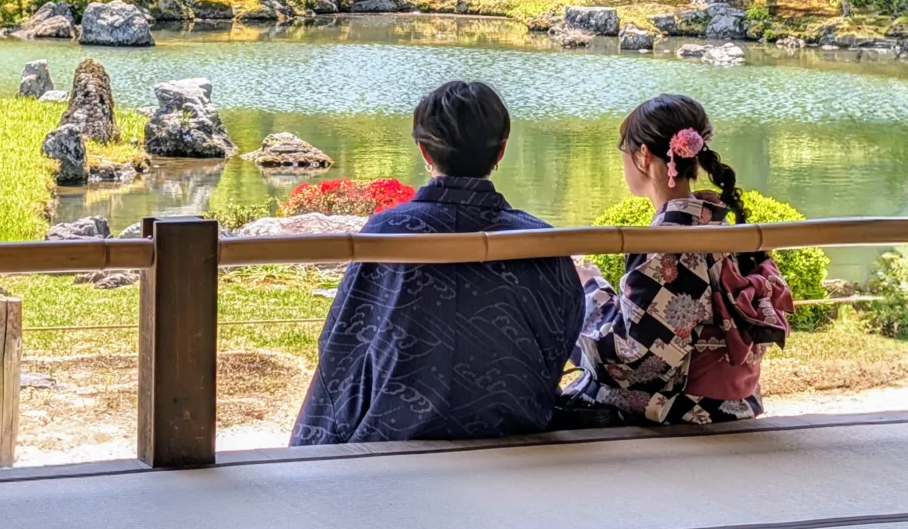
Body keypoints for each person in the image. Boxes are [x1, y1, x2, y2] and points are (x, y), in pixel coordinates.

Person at [292, 80, 585, 445]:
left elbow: (344, 348)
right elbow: (560, 342)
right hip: (514, 435)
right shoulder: (540, 241)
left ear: (424, 152)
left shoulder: (388, 233)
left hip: (393, 438)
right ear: (502, 150)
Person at [562, 94, 793, 426]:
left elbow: (636, 363)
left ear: (643, 157)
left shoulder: (666, 243)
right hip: (737, 402)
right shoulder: (720, 225)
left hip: (689, 408)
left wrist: (587, 289)